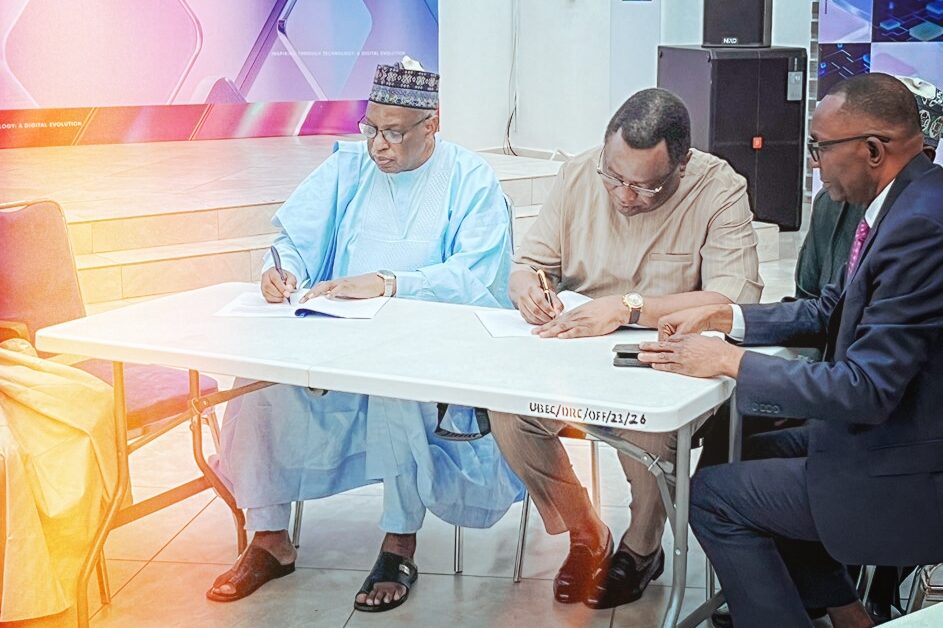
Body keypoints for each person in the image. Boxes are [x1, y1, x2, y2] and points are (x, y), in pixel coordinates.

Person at [207, 58, 523, 613]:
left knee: (391, 385)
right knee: (260, 381)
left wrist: (388, 283)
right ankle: (269, 538)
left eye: (394, 132)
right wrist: (278, 271)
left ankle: (399, 539)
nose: (379, 145)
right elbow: (295, 237)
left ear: (432, 125)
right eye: (371, 128)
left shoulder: (471, 178)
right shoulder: (349, 167)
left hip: (426, 341)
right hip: (335, 333)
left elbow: (478, 274)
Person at [642, 73, 943, 627]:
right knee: (749, 439)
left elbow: (867, 389)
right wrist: (725, 316)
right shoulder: (907, 202)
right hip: (899, 436)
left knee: (712, 496)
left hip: (909, 470)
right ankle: (843, 610)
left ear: (872, 150)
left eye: (820, 148)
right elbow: (829, 308)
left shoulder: (920, 224)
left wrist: (728, 360)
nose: (813, 164)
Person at [488, 88, 763, 609]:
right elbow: (531, 263)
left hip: (667, 358)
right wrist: (527, 287)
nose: (624, 195)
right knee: (508, 410)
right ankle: (586, 531)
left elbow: (731, 299)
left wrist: (628, 307)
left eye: (645, 185)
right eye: (614, 177)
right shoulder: (580, 174)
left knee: (653, 426)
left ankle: (641, 549)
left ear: (681, 166)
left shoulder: (719, 189)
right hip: (575, 353)